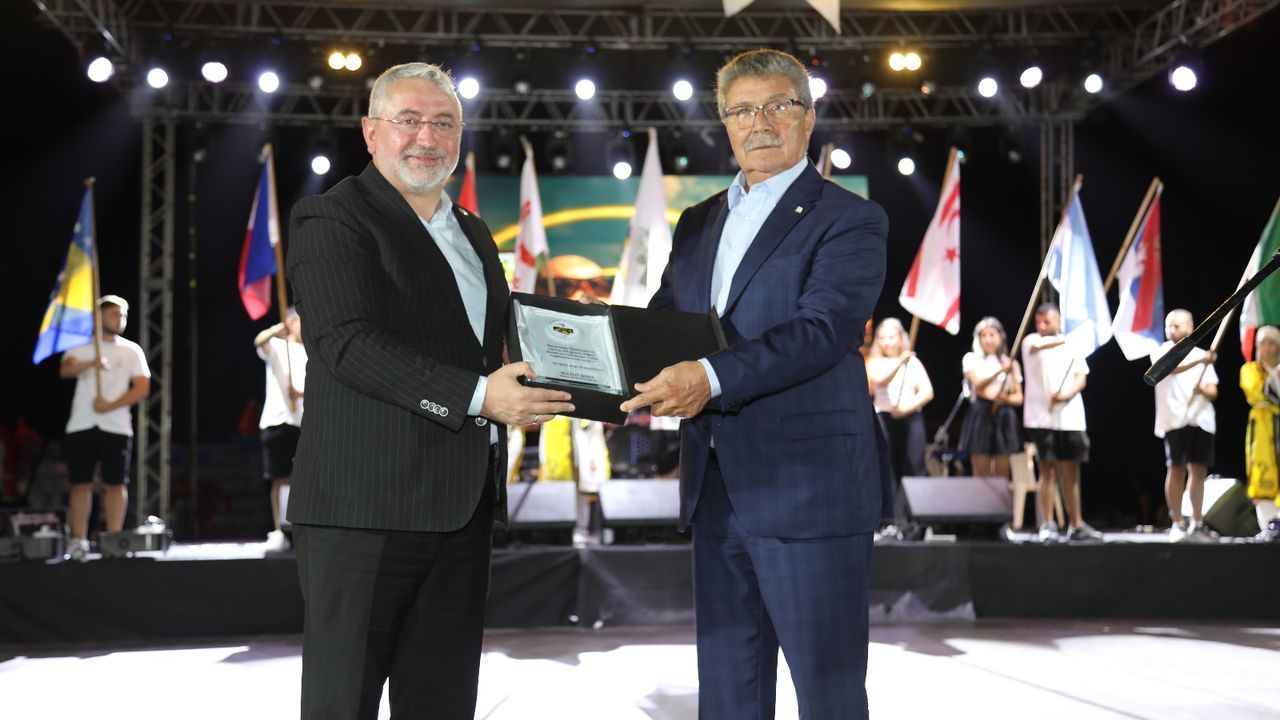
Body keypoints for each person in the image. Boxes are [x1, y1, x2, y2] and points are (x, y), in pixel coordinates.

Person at [285, 61, 574, 720]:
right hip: (363, 511)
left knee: (442, 704)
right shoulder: (332, 218)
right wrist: (480, 396)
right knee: (341, 704)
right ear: (371, 132)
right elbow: (346, 343)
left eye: (444, 123)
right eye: (408, 120)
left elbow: (494, 346)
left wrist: (571, 375)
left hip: (462, 510)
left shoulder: (473, 231)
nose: (427, 137)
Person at [620, 49, 889, 720]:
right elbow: (666, 325)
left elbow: (822, 330)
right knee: (729, 698)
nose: (759, 122)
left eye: (777, 105)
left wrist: (708, 377)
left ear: (809, 117)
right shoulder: (698, 221)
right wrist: (588, 365)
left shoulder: (850, 218)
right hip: (713, 490)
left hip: (810, 492)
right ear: (724, 122)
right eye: (742, 109)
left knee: (828, 699)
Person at [58, 295, 151, 560]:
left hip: (116, 425)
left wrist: (110, 406)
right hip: (81, 424)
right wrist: (92, 362)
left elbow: (142, 387)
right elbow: (65, 370)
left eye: (123, 315)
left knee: (115, 484)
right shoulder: (81, 347)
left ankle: (113, 539)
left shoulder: (131, 350)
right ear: (99, 317)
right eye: (114, 314)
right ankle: (78, 540)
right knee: (80, 484)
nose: (120, 320)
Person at [1021, 302, 1103, 543]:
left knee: (1070, 471)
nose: (1042, 326)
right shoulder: (1031, 341)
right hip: (1041, 418)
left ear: (1058, 320)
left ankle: (1076, 524)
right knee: (1047, 471)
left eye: (1047, 321)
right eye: (1038, 322)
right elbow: (1039, 346)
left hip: (1070, 418)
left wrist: (1066, 394)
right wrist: (1074, 338)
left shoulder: (1072, 346)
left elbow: (1081, 378)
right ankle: (1048, 523)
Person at [1150, 309, 1219, 542]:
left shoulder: (1201, 354)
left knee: (1198, 470)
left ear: (1190, 328)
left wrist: (1202, 390)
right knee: (1176, 468)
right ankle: (1178, 522)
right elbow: (1170, 367)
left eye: (1176, 326)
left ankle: (1197, 522)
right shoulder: (1161, 352)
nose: (1171, 330)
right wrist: (1201, 360)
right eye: (1168, 326)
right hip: (1175, 419)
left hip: (1200, 419)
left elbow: (1213, 390)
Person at [866, 316, 934, 537]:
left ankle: (914, 522)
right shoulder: (875, 361)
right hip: (884, 419)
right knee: (887, 469)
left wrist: (906, 408)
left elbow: (927, 392)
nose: (887, 342)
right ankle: (890, 520)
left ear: (901, 338)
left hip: (909, 418)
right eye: (882, 338)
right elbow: (879, 380)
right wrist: (899, 362)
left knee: (913, 467)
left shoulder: (912, 362)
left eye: (891, 337)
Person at [252, 310, 306, 552]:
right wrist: (279, 328)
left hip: (304, 421)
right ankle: (281, 529)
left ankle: (301, 529)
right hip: (278, 419)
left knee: (302, 477)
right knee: (281, 477)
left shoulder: (311, 352)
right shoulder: (277, 346)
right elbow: (259, 341)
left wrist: (300, 393)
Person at [958, 316, 1023, 479]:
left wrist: (1005, 398)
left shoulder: (1011, 363)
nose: (988, 339)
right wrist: (1000, 371)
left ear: (1001, 336)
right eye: (983, 335)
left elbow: (1018, 398)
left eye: (992, 335)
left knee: (1001, 474)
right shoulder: (971, 359)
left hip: (1004, 416)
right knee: (981, 474)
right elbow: (979, 385)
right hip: (981, 414)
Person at [1240, 325, 1280, 541]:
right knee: (1262, 472)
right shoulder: (1250, 370)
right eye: (1262, 342)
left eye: (1271, 343)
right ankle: (1267, 525)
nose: (1266, 347)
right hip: (1262, 428)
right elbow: (1258, 392)